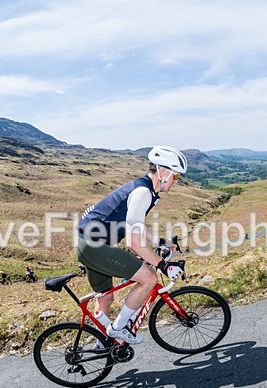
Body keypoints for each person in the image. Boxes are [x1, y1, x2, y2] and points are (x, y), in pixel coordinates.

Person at [76, 146, 188, 344]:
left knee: (105, 299)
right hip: (95, 247)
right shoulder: (143, 192)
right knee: (149, 277)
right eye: (176, 177)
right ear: (163, 172)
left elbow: (136, 225)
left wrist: (160, 241)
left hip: (86, 245)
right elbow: (134, 242)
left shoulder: (144, 189)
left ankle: (104, 346)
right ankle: (118, 329)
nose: (176, 182)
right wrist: (163, 265)